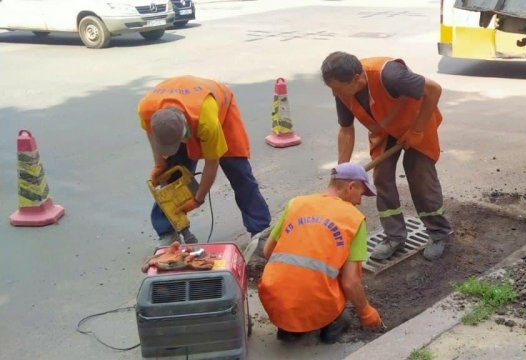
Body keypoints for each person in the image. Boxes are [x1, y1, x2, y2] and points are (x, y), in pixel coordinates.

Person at [320, 51, 453, 261]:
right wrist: (341, 173)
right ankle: (395, 237)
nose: (335, 94)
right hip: (384, 132)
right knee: (381, 179)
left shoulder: (389, 75)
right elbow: (346, 129)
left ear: (357, 79)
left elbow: (434, 89)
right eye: (332, 89)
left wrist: (416, 130)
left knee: (420, 178)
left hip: (417, 124)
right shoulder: (342, 92)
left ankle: (438, 234)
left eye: (337, 88)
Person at [258, 163, 383, 343]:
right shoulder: (353, 219)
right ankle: (328, 328)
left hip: (274, 300)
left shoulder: (296, 203)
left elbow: (268, 251)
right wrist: (366, 311)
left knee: (293, 292)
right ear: (351, 187)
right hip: (316, 303)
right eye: (361, 193)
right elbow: (350, 282)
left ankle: (288, 328)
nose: (360, 201)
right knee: (343, 315)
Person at [139, 75, 271, 245]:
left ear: (184, 130)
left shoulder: (206, 121)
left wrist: (198, 199)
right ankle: (167, 231)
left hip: (222, 111)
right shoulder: (146, 109)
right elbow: (151, 135)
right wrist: (160, 164)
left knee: (239, 173)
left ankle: (260, 231)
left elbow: (212, 163)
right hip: (182, 114)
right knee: (171, 177)